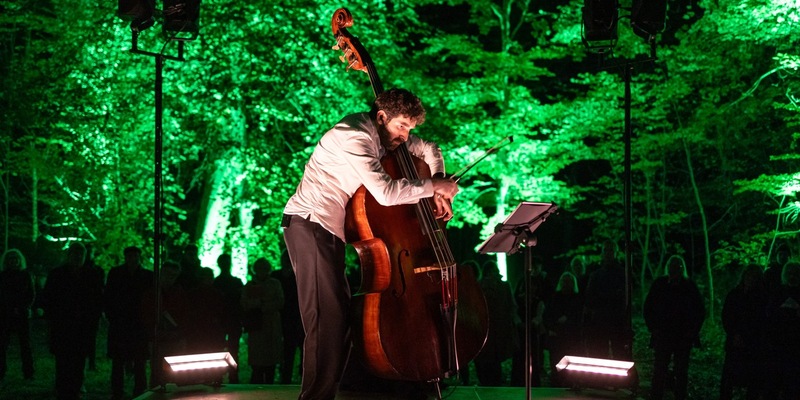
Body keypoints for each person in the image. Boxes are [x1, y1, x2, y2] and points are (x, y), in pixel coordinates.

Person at [281, 88, 458, 400]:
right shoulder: (354, 137)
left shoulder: (388, 135)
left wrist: (440, 183)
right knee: (327, 321)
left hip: (329, 231)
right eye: (402, 126)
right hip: (310, 224)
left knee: (341, 321)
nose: (406, 136)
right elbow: (386, 194)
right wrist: (432, 186)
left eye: (410, 129)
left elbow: (431, 148)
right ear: (381, 117)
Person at [40, 243, 105, 400]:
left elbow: (98, 299)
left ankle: (74, 387)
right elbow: (49, 298)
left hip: (81, 324)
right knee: (64, 358)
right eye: (75, 255)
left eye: (80, 255)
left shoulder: (91, 275)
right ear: (69, 256)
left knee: (78, 358)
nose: (77, 258)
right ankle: (64, 388)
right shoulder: (58, 274)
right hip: (64, 324)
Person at [643, 255, 705, 400]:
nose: (674, 269)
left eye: (677, 267)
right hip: (663, 334)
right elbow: (648, 308)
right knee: (660, 369)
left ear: (682, 268)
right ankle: (657, 395)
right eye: (672, 266)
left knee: (681, 370)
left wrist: (692, 331)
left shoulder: (689, 286)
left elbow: (699, 311)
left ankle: (679, 396)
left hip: (683, 336)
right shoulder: (660, 284)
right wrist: (653, 328)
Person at [104, 246, 153, 399]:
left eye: (135, 256)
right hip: (122, 323)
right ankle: (120, 391)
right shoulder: (117, 274)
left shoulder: (146, 276)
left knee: (138, 361)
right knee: (120, 361)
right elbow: (108, 297)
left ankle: (138, 390)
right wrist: (112, 316)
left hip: (137, 324)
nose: (132, 259)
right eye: (130, 256)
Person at [719, 264, 768, 400]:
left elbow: (761, 321)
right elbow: (726, 316)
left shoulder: (762, 297)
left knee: (753, 381)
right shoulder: (735, 294)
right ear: (744, 276)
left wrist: (748, 337)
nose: (751, 279)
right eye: (749, 275)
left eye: (754, 277)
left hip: (753, 345)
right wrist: (734, 334)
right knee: (728, 379)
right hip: (735, 342)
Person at [584, 239, 630, 360]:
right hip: (601, 320)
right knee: (600, 353)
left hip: (616, 320)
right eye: (606, 250)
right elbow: (589, 298)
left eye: (611, 250)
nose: (608, 253)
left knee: (619, 354)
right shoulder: (596, 275)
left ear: (615, 252)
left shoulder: (622, 274)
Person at [474, 261, 518, 386]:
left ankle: (489, 382)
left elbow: (510, 306)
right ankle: (493, 382)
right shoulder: (502, 286)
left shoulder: (481, 285)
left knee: (488, 358)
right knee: (493, 358)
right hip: (496, 326)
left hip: (491, 327)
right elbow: (511, 306)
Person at [241, 257, 284, 384]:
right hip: (256, 326)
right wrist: (259, 303)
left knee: (270, 360)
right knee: (257, 361)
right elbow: (244, 303)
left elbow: (280, 302)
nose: (262, 271)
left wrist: (263, 305)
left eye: (264, 268)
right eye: (259, 268)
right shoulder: (250, 285)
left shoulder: (275, 284)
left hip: (271, 325)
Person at [763, 261, 800, 399]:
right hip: (777, 345)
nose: (793, 276)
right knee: (774, 382)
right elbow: (769, 315)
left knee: (793, 384)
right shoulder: (778, 292)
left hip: (796, 347)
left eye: (796, 274)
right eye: (790, 273)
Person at [0, 249, 36, 381]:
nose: (13, 261)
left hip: (21, 314)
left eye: (15, 259)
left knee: (25, 344)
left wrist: (24, 307)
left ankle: (28, 372)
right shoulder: (2, 276)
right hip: (5, 314)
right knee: (2, 344)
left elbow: (31, 294)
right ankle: (1, 371)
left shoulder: (25, 275)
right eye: (11, 259)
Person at [544, 271, 584, 387]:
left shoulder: (577, 299)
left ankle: (570, 383)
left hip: (571, 338)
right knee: (557, 363)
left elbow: (578, 318)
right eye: (564, 281)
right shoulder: (555, 297)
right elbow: (548, 316)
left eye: (569, 281)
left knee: (570, 363)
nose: (566, 284)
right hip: (558, 337)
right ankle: (558, 383)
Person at [271, 249, 303, 384]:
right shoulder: (277, 276)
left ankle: (299, 376)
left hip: (296, 318)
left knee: (299, 349)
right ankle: (286, 377)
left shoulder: (298, 275)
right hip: (282, 318)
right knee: (286, 350)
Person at [213, 253, 244, 383]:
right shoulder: (235, 282)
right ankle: (232, 377)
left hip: (223, 322)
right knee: (232, 350)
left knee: (223, 349)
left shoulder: (216, 283)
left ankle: (221, 376)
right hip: (229, 322)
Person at [82, 244, 105, 372]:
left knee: (91, 337)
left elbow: (101, 290)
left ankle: (90, 361)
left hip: (92, 308)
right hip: (90, 308)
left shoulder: (97, 270)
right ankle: (90, 362)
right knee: (90, 337)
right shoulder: (97, 270)